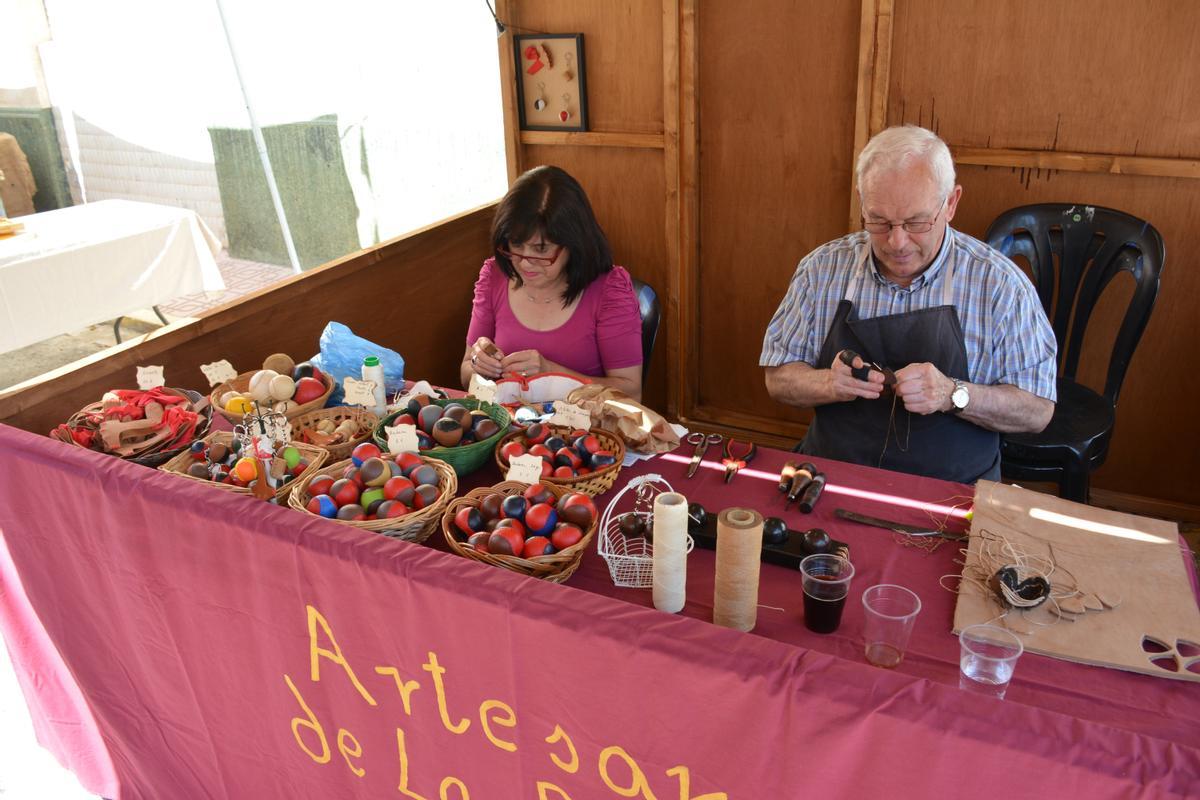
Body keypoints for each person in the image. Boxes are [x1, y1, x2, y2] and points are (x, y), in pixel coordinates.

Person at [760, 125, 1057, 483]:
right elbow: (777, 378)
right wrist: (828, 384)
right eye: (880, 221)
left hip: (953, 490)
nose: (897, 242)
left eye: (916, 222)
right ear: (861, 201)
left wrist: (953, 394)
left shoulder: (999, 285)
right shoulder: (822, 269)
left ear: (951, 203)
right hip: (832, 477)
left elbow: (1037, 410)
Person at [462, 165, 644, 399]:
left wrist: (552, 374)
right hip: (509, 424)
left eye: (541, 249)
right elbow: (466, 373)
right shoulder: (494, 277)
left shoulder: (609, 291)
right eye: (516, 245)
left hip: (583, 430)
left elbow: (631, 393)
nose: (525, 263)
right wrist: (479, 364)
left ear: (573, 243)